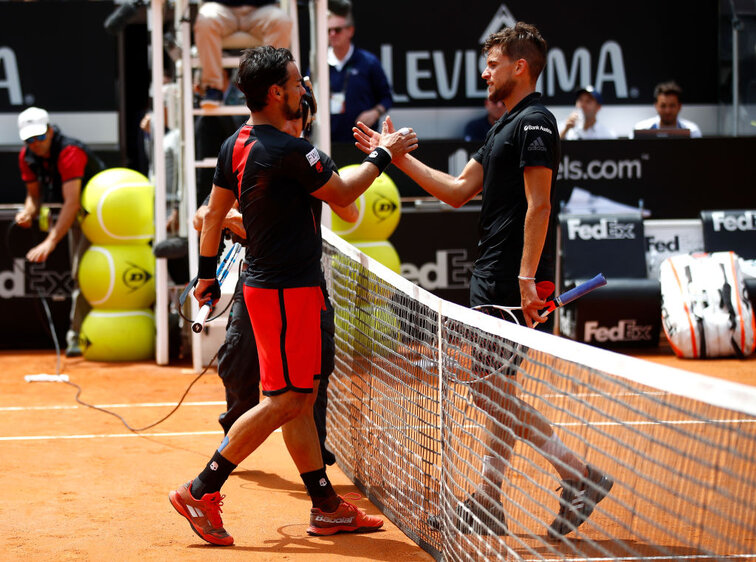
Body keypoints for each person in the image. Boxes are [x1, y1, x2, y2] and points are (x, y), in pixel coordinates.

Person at [353, 22, 613, 540]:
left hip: (509, 279)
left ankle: (579, 475)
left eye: (492, 63)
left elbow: (539, 205)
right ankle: (490, 499)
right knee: (498, 388)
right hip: (494, 273)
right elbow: (454, 190)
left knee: (489, 392)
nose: (484, 71)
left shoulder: (536, 123)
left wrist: (525, 278)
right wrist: (396, 157)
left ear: (520, 67)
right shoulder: (503, 126)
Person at [169, 45, 417, 546]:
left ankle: (325, 506)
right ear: (277, 92)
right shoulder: (287, 151)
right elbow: (346, 196)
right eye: (299, 83)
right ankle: (201, 488)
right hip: (286, 291)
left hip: (269, 289)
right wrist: (385, 154)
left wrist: (204, 274)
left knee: (298, 402)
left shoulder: (236, 143)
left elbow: (213, 215)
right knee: (287, 401)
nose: (305, 90)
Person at [192, 96, 358, 467]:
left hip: (304, 285)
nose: (298, 119)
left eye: (303, 114)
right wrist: (233, 220)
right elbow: (202, 217)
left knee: (316, 369)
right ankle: (234, 436)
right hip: (257, 285)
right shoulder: (246, 153)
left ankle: (316, 455)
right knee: (237, 363)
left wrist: (328, 181)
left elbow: (350, 210)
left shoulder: (310, 159)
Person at [15, 107, 103, 357]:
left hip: (99, 217)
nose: (35, 144)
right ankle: (79, 335)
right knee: (81, 274)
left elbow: (72, 202)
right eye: (29, 140)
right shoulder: (26, 156)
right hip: (74, 217)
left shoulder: (70, 152)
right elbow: (33, 196)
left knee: (83, 274)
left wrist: (50, 242)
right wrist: (28, 212)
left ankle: (77, 337)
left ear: (51, 131)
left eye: (40, 137)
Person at [194, 0, 292, 109]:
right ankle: (213, 88)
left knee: (281, 21)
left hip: (261, 9)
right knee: (205, 21)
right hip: (221, 9)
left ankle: (269, 88)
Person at [327, 0, 393, 142]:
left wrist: (375, 112)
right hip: (327, 142)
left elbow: (386, 97)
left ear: (350, 30)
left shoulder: (368, 62)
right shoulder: (319, 64)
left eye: (337, 30)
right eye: (328, 30)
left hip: (364, 142)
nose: (332, 34)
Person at [633, 81, 702, 138]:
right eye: (663, 106)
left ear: (679, 106)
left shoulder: (692, 131)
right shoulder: (640, 130)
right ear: (656, 106)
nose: (667, 111)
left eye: (672, 106)